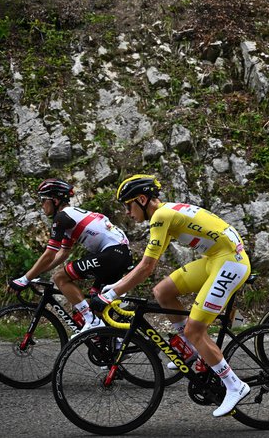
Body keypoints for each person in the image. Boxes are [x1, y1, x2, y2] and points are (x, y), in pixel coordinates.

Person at [90, 174, 252, 417]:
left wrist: (112, 293)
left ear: (142, 199)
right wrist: (116, 287)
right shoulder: (165, 212)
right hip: (216, 259)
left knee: (195, 329)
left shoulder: (161, 216)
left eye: (128, 205)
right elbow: (147, 266)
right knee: (162, 291)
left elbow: (147, 267)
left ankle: (234, 385)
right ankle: (190, 348)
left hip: (230, 262)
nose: (127, 213)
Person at [7, 178, 132, 336]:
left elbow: (50, 254)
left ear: (55, 200)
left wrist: (24, 279)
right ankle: (118, 342)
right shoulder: (70, 218)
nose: (41, 204)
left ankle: (91, 321)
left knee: (60, 278)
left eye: (43, 200)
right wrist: (34, 274)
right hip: (120, 254)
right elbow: (62, 254)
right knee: (96, 304)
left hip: (112, 253)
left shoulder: (62, 218)